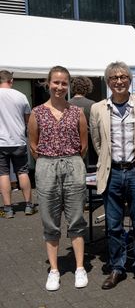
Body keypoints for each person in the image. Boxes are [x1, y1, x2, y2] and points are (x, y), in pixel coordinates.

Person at [90, 61, 135, 290]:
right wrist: (109, 161)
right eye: (114, 78)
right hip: (113, 173)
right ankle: (117, 267)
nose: (119, 81)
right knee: (114, 225)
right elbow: (97, 142)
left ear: (130, 80)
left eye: (123, 77)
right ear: (108, 82)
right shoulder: (98, 108)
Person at [27, 66, 88, 291]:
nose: (60, 87)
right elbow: (33, 144)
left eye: (64, 83)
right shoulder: (37, 112)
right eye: (56, 82)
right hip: (46, 165)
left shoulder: (77, 112)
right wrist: (48, 161)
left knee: (76, 217)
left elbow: (83, 144)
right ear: (48, 83)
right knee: (49, 219)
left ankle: (80, 267)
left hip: (73, 163)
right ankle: (54, 270)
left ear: (69, 85)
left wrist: (70, 160)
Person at [0, 70, 36, 218]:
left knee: (3, 174)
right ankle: (28, 205)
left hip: (1, 142)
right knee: (22, 172)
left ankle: (8, 208)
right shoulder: (20, 96)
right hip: (18, 141)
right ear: (11, 81)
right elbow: (29, 120)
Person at [69, 76, 97, 168]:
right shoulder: (92, 104)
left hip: (71, 140)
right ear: (87, 87)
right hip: (89, 140)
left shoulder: (67, 103)